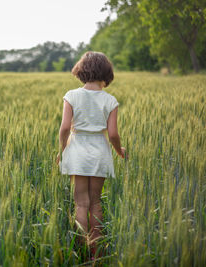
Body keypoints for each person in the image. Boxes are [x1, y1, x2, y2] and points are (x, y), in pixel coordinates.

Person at [55, 51, 126, 259]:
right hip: (99, 152)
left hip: (76, 150)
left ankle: (81, 251)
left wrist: (62, 151)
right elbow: (113, 133)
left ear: (81, 71)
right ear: (106, 72)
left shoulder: (71, 95)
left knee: (81, 204)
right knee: (96, 203)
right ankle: (96, 251)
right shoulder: (110, 100)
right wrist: (119, 151)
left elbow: (65, 128)